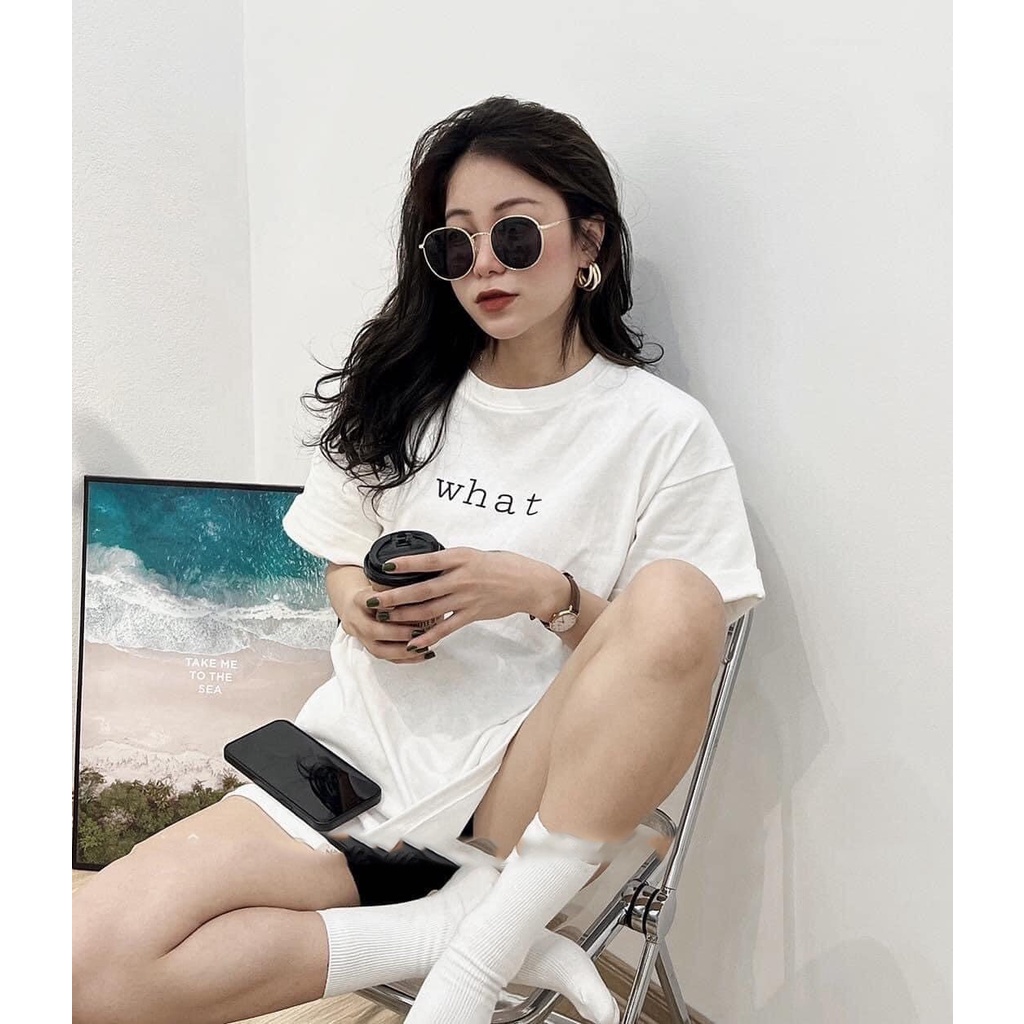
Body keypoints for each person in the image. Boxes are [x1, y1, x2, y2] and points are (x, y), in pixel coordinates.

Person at [72, 95, 765, 1024]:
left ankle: (477, 956)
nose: (485, 265)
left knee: (678, 591)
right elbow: (339, 561)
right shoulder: (402, 394)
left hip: (516, 801)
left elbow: (672, 650)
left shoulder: (660, 431)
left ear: (589, 240)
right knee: (81, 966)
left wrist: (544, 594)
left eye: (515, 234)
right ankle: (442, 934)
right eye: (454, 244)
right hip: (347, 770)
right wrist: (358, 604)